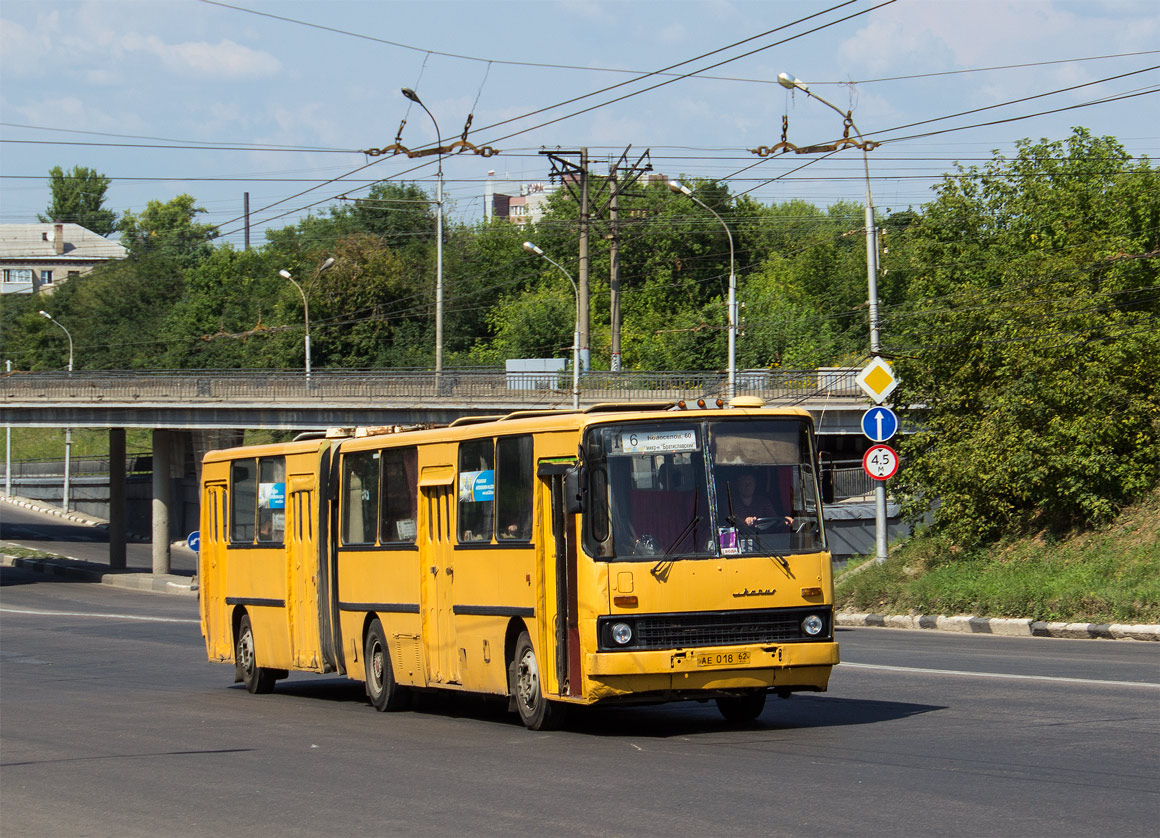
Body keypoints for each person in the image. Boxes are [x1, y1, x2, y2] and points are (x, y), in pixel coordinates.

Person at [728, 470, 793, 530]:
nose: (747, 486)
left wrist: (784, 520)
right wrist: (744, 521)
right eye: (744, 483)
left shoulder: (763, 502)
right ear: (738, 485)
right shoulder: (730, 502)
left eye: (750, 483)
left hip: (763, 539)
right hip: (739, 539)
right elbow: (729, 520)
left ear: (755, 485)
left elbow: (774, 520)